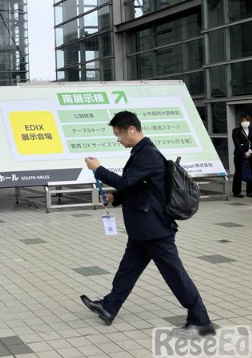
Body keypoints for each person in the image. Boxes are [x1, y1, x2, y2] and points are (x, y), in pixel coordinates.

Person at [81, 111, 214, 337]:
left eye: (119, 134)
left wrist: (98, 170)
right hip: (143, 227)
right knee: (128, 270)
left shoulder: (148, 154)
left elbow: (126, 181)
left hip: (155, 229)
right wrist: (116, 197)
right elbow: (140, 187)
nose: (118, 139)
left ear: (132, 130)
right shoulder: (141, 152)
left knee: (175, 275)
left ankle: (201, 322)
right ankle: (109, 307)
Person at [231, 114, 252, 198]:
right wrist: (244, 153)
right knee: (238, 172)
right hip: (239, 155)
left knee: (250, 171)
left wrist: (250, 151)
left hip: (250, 154)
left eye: (247, 120)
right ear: (240, 122)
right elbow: (237, 144)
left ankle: (250, 191)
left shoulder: (251, 130)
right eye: (243, 121)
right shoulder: (236, 131)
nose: (245, 122)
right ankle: (236, 192)